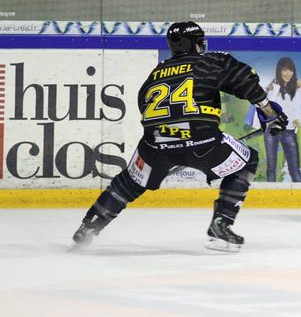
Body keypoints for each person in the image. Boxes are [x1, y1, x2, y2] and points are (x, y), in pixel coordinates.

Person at [72, 21, 288, 252]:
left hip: (155, 144)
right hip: (202, 142)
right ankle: (221, 224)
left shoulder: (156, 73)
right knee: (247, 161)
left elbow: (143, 107)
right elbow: (245, 80)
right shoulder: (209, 61)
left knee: (130, 181)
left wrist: (169, 137)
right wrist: (270, 114)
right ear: (197, 44)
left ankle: (89, 227)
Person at [263, 57, 301, 182]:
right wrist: (273, 88)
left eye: (291, 70)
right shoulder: (274, 85)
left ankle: (300, 197)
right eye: (284, 70)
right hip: (272, 130)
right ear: (279, 71)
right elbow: (268, 108)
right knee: (271, 167)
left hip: (289, 131)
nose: (288, 73)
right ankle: (270, 196)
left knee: (294, 168)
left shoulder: (299, 85)